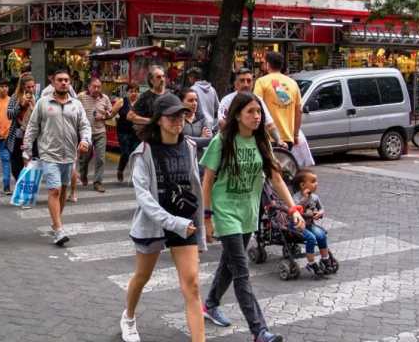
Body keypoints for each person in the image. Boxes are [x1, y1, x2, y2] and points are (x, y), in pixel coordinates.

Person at [200, 92, 305, 342]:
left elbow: (276, 178)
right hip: (226, 213)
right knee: (241, 271)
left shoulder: (261, 142)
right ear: (237, 115)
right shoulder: (222, 141)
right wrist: (207, 217)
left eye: (258, 112)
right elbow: (207, 181)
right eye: (250, 112)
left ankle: (210, 304)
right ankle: (259, 331)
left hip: (248, 213)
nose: (256, 116)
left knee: (229, 262)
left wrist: (293, 209)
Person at [121, 93, 207, 342]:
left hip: (185, 224)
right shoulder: (143, 152)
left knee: (192, 286)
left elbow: (195, 187)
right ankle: (129, 316)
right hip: (155, 224)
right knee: (142, 277)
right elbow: (145, 199)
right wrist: (175, 223)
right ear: (158, 120)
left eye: (181, 115)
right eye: (171, 116)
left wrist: (199, 226)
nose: (178, 121)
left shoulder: (189, 146)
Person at [23, 70, 92, 246]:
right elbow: (32, 127)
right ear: (53, 82)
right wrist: (27, 149)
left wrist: (85, 140)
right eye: (60, 80)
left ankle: (56, 223)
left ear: (70, 83)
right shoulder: (43, 103)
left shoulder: (76, 105)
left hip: (69, 155)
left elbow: (84, 125)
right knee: (54, 190)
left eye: (66, 80)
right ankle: (59, 230)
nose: (63, 83)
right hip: (49, 155)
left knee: (62, 190)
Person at [290, 169, 335, 278]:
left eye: (316, 181)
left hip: (309, 224)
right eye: (313, 181)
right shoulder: (296, 197)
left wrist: (319, 213)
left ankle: (325, 259)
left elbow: (322, 208)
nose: (316, 184)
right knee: (311, 238)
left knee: (321, 235)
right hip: (297, 226)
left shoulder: (315, 197)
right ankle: (311, 263)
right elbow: (294, 209)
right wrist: (305, 199)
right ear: (302, 185)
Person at [77, 77, 118, 193]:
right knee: (85, 157)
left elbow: (111, 113)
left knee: (100, 158)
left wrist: (104, 116)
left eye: (99, 87)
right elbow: (74, 110)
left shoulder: (104, 98)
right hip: (86, 134)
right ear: (89, 86)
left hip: (100, 132)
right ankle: (83, 174)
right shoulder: (81, 97)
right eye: (94, 86)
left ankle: (98, 182)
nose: (96, 89)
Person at [218, 68, 280, 144]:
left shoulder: (258, 100)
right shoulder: (227, 101)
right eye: (242, 81)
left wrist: (279, 141)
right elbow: (222, 123)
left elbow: (270, 125)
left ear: (252, 83)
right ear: (235, 83)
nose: (246, 84)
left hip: (253, 144)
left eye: (249, 81)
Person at [254, 52, 302, 150]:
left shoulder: (261, 82)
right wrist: (296, 135)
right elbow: (299, 110)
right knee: (283, 164)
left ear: (268, 64)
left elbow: (255, 105)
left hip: (268, 137)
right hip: (287, 137)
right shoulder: (293, 83)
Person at [7, 74, 36, 189]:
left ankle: (26, 186)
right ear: (23, 86)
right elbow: (9, 114)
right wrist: (21, 105)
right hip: (17, 134)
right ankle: (20, 183)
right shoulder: (15, 97)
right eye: (28, 87)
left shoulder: (35, 98)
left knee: (30, 161)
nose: (31, 89)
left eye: (32, 87)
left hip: (30, 135)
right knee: (16, 163)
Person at [116, 82, 141, 182]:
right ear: (127, 92)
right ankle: (120, 170)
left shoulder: (141, 103)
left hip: (136, 133)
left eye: (136, 91)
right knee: (126, 153)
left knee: (135, 154)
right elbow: (112, 112)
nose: (134, 93)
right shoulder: (122, 102)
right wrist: (104, 116)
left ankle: (135, 176)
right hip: (123, 132)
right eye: (131, 91)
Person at [178, 87, 213, 153]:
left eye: (196, 100)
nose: (194, 103)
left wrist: (187, 138)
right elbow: (179, 140)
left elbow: (209, 140)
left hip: (199, 160)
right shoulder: (178, 119)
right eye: (190, 100)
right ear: (181, 102)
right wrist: (201, 138)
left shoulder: (202, 118)